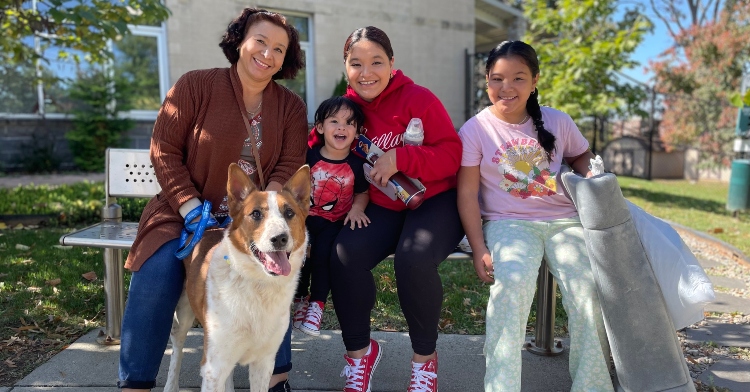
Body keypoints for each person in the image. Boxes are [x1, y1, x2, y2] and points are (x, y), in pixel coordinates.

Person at [117, 8, 308, 392]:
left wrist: (262, 214)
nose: (267, 54)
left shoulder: (290, 107)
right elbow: (164, 150)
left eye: (279, 49)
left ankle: (274, 377)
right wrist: (190, 209)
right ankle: (136, 381)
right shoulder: (195, 86)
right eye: (260, 41)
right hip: (181, 213)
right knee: (156, 273)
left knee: (273, 269)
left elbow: (289, 165)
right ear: (239, 40)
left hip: (250, 219)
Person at [310, 26, 464, 392]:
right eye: (356, 63)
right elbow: (315, 146)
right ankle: (360, 355)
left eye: (376, 62)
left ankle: (424, 362)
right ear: (345, 67)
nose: (367, 73)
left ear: (392, 63)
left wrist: (402, 156)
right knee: (344, 254)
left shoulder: (418, 98)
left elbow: (452, 154)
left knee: (413, 259)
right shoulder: (344, 110)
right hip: (381, 203)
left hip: (435, 199)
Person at [457, 40, 613, 392]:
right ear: (486, 81)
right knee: (510, 288)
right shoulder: (475, 129)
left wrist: (592, 175)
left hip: (565, 222)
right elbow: (466, 193)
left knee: (587, 290)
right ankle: (502, 386)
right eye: (497, 79)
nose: (507, 88)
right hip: (508, 224)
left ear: (535, 80)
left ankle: (592, 386)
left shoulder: (558, 121)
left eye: (518, 78)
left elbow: (582, 156)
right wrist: (479, 246)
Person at [293, 96, 371, 337]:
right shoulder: (309, 157)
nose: (341, 127)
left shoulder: (357, 165)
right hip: (304, 220)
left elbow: (362, 192)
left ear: (357, 131)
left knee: (322, 256)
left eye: (349, 123)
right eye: (334, 121)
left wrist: (357, 208)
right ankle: (298, 300)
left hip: (333, 223)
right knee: (300, 257)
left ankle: (317, 305)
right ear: (319, 127)